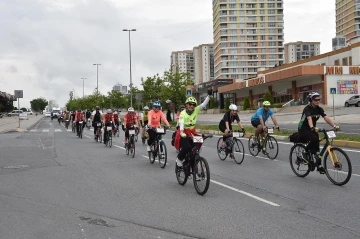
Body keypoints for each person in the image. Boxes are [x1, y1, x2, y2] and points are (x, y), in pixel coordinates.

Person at [298, 92, 340, 174]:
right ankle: (305, 152)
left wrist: (334, 126)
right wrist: (312, 127)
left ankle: (319, 166)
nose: (318, 101)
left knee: (317, 148)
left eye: (319, 99)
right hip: (304, 129)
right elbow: (309, 118)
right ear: (311, 100)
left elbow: (326, 117)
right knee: (314, 139)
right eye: (315, 99)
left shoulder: (319, 109)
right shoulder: (307, 108)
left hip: (312, 129)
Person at [174, 89, 212, 167]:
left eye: (193, 104)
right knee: (186, 147)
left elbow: (203, 104)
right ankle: (179, 159)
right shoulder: (182, 113)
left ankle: (193, 164)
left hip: (192, 132)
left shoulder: (196, 110)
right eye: (190, 104)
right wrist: (181, 132)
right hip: (183, 132)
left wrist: (209, 96)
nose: (191, 106)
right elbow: (181, 123)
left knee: (197, 145)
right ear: (186, 105)